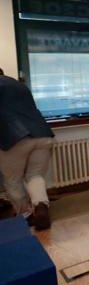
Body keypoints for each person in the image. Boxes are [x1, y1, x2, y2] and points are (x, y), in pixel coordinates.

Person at [0, 72, 55, 230]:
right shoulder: (19, 85)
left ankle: (26, 215)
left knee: (13, 179)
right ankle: (40, 206)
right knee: (34, 175)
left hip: (14, 137)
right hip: (42, 133)